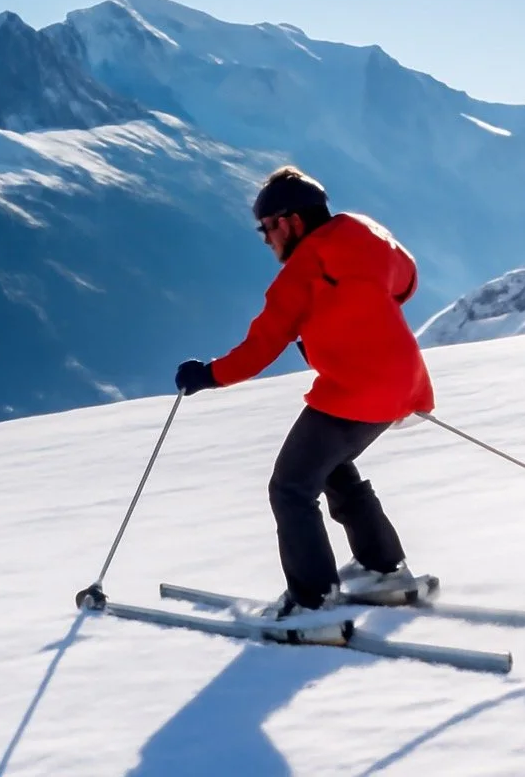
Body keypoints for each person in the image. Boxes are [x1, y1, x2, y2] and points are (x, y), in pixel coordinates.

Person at [174, 166, 435, 641]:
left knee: (290, 487)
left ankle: (315, 605)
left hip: (354, 391)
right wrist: (350, 313)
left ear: (291, 222)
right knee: (330, 466)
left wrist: (207, 375)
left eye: (267, 228)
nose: (267, 240)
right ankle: (384, 571)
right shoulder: (363, 231)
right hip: (405, 384)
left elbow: (259, 350)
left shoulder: (300, 274)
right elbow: (406, 281)